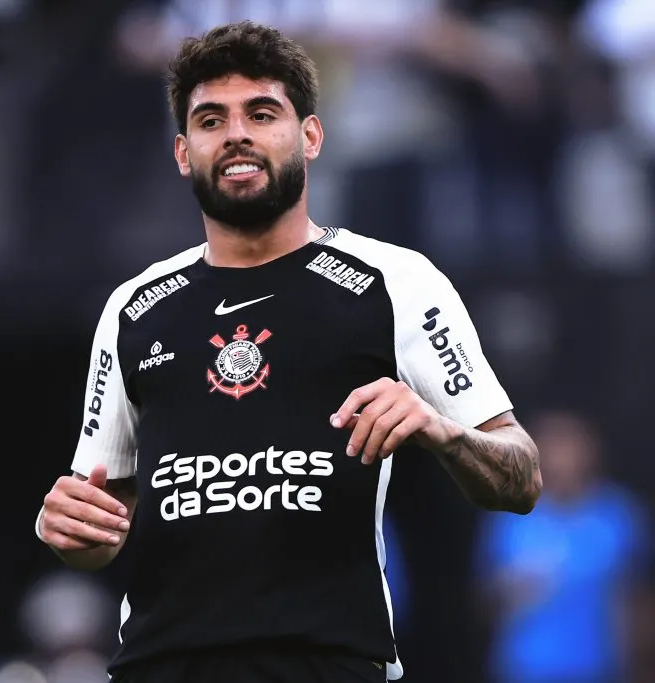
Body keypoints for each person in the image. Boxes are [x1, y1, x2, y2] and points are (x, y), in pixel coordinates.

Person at [35, 21, 543, 683]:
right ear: (183, 152)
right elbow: (99, 526)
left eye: (262, 113)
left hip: (327, 665)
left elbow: (521, 477)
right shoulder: (135, 307)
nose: (236, 134)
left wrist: (441, 430)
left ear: (310, 137)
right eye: (211, 120)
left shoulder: (396, 281)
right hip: (162, 667)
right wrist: (69, 529)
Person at [475, 411, 649, 683]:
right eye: (553, 447)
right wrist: (512, 589)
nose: (562, 458)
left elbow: (637, 597)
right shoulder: (510, 513)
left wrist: (638, 664)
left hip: (599, 668)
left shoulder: (618, 515)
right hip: (526, 668)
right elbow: (484, 601)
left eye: (569, 446)